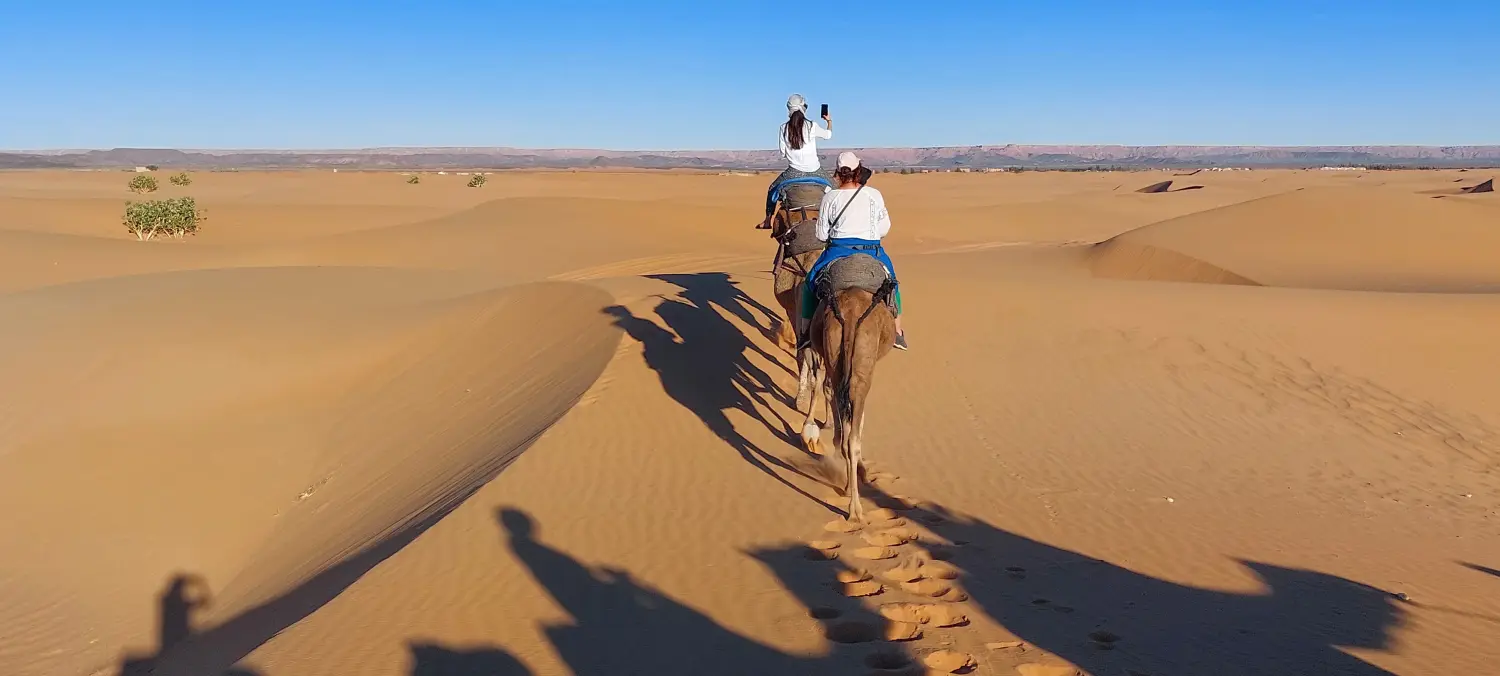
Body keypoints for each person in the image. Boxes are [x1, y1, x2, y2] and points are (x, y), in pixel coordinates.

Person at [800, 152, 907, 350]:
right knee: (892, 282)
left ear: (838, 172)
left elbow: (822, 234)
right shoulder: (874, 194)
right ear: (859, 171)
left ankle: (805, 333)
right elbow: (884, 228)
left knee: (809, 283)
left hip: (836, 251)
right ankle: (898, 333)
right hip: (872, 251)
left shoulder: (830, 197)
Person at [765, 94, 834, 220]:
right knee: (837, 190)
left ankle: (767, 220)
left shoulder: (783, 128)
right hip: (816, 171)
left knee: (772, 190)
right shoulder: (812, 125)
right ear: (804, 107)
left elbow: (783, 153)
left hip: (793, 172)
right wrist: (829, 121)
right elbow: (828, 135)